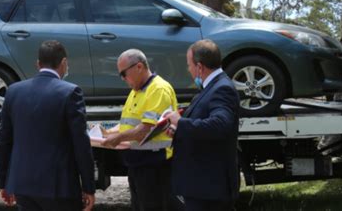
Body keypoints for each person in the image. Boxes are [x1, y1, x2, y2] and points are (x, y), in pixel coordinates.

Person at [0, 40, 95, 211]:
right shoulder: (70, 92)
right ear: (63, 63)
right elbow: (81, 144)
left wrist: (4, 182)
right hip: (59, 186)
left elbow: (3, 141)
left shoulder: (14, 91)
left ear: (38, 64)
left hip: (23, 184)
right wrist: (88, 187)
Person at [164, 39, 240, 211]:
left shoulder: (222, 88)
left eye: (189, 65)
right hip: (202, 186)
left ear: (199, 67)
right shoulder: (211, 87)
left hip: (209, 189)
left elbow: (220, 125)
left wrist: (181, 123)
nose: (188, 69)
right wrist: (177, 129)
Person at [102, 49, 178, 211]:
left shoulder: (158, 89)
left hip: (155, 166)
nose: (123, 78)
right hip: (138, 164)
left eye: (124, 73)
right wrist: (108, 133)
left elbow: (146, 128)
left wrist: (118, 138)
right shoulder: (137, 91)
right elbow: (128, 124)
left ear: (138, 67)